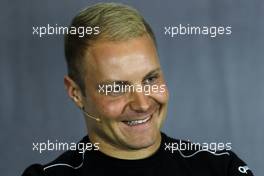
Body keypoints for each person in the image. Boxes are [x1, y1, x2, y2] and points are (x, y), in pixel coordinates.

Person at [22, 2, 254, 176]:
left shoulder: (222, 169)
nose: (142, 104)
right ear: (76, 93)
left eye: (150, 79)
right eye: (116, 88)